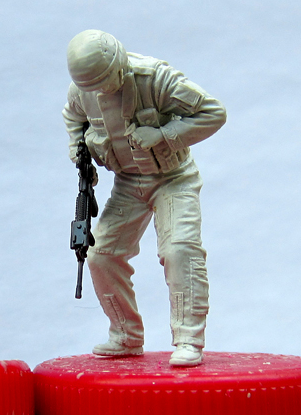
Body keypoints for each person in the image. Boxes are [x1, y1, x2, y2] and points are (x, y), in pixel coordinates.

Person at [62, 30, 226, 366]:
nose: (100, 90)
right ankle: (125, 334)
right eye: (93, 85)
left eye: (105, 81)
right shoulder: (82, 90)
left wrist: (163, 135)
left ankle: (188, 339)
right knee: (100, 254)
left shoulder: (155, 79)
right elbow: (73, 117)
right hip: (128, 182)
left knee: (179, 250)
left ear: (118, 66)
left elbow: (213, 112)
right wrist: (79, 151)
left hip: (173, 179)